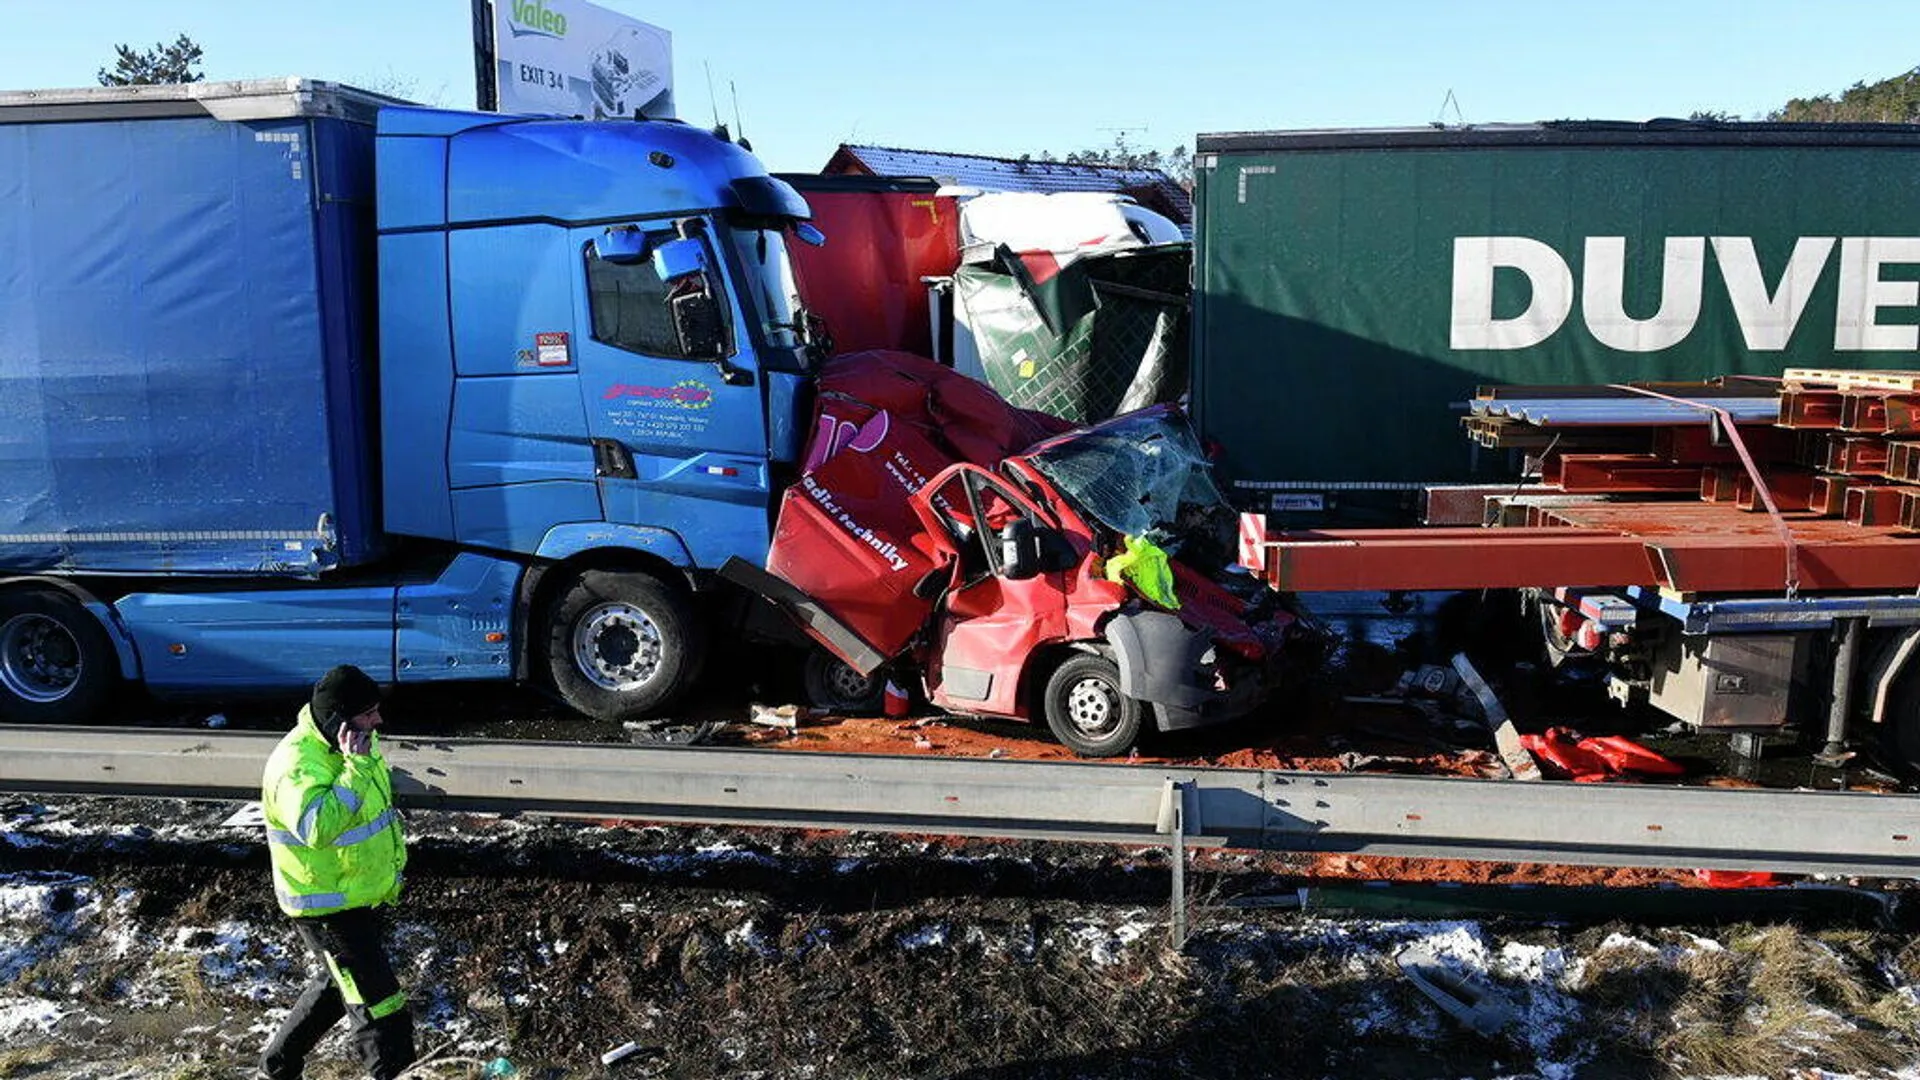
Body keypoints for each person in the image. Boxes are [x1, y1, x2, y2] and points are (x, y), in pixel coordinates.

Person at [257, 664, 415, 1080]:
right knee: (379, 1004)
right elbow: (316, 829)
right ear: (337, 721)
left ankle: (276, 1068)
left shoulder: (356, 743)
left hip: (356, 894)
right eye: (368, 714)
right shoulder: (297, 766)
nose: (378, 720)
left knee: (336, 986)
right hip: (327, 907)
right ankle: (389, 1071)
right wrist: (356, 769)